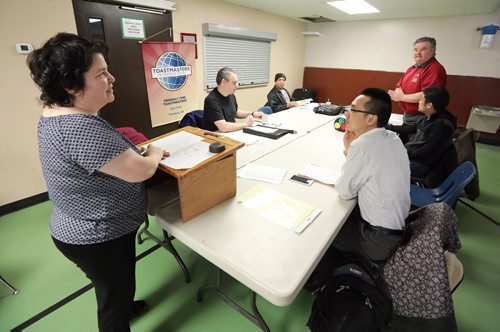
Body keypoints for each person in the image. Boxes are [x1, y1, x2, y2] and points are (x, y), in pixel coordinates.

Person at [28, 33, 169, 331]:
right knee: (111, 303)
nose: (112, 78)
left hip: (77, 227)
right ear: (71, 86)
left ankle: (124, 304)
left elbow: (95, 160)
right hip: (99, 236)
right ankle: (120, 315)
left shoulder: (55, 113)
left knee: (113, 287)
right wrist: (153, 153)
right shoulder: (80, 127)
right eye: (101, 74)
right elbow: (141, 171)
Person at [333, 88, 410, 262]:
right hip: (397, 230)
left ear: (371, 119)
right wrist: (349, 150)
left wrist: (350, 149)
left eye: (353, 109)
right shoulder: (392, 138)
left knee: (323, 230)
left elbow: (345, 191)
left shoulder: (363, 147)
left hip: (377, 241)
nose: (347, 114)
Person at [386, 86, 457, 180]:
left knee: (383, 162)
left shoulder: (441, 126)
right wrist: (387, 127)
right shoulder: (432, 117)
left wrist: (402, 152)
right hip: (418, 159)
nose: (419, 102)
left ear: (429, 105)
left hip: (422, 166)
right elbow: (410, 128)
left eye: (421, 99)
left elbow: (426, 152)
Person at [388, 37, 447, 127]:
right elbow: (399, 86)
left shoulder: (434, 69)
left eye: (423, 49)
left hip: (421, 118)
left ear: (432, 51)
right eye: (416, 50)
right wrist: (398, 95)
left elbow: (428, 95)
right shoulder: (412, 68)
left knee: (414, 140)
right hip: (409, 115)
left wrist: (402, 97)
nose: (418, 53)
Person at [203, 67, 263, 133]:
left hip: (230, 132)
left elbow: (235, 112)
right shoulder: (211, 100)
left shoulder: (230, 94)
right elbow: (224, 127)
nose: (237, 86)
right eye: (234, 83)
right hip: (217, 135)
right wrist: (245, 124)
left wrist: (252, 113)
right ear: (223, 82)